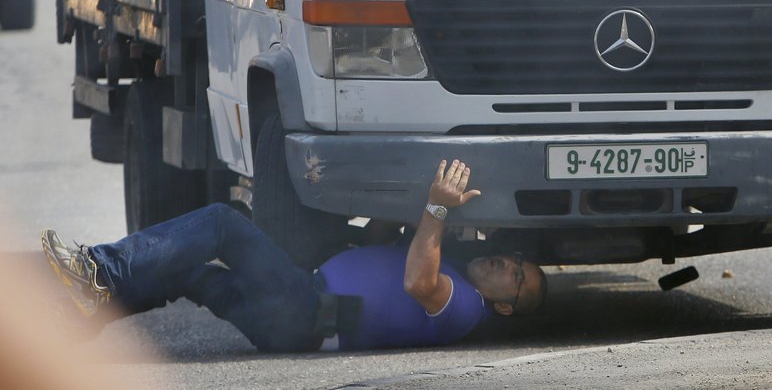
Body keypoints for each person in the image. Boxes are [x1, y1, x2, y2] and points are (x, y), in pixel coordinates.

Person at [41, 159, 545, 352]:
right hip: (291, 322)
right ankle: (84, 315)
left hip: (304, 308)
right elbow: (384, 257)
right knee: (187, 274)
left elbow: (416, 281)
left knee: (222, 223)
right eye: (515, 260)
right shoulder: (455, 269)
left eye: (517, 280)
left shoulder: (464, 307)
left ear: (504, 305)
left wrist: (436, 207)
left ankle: (98, 270)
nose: (507, 266)